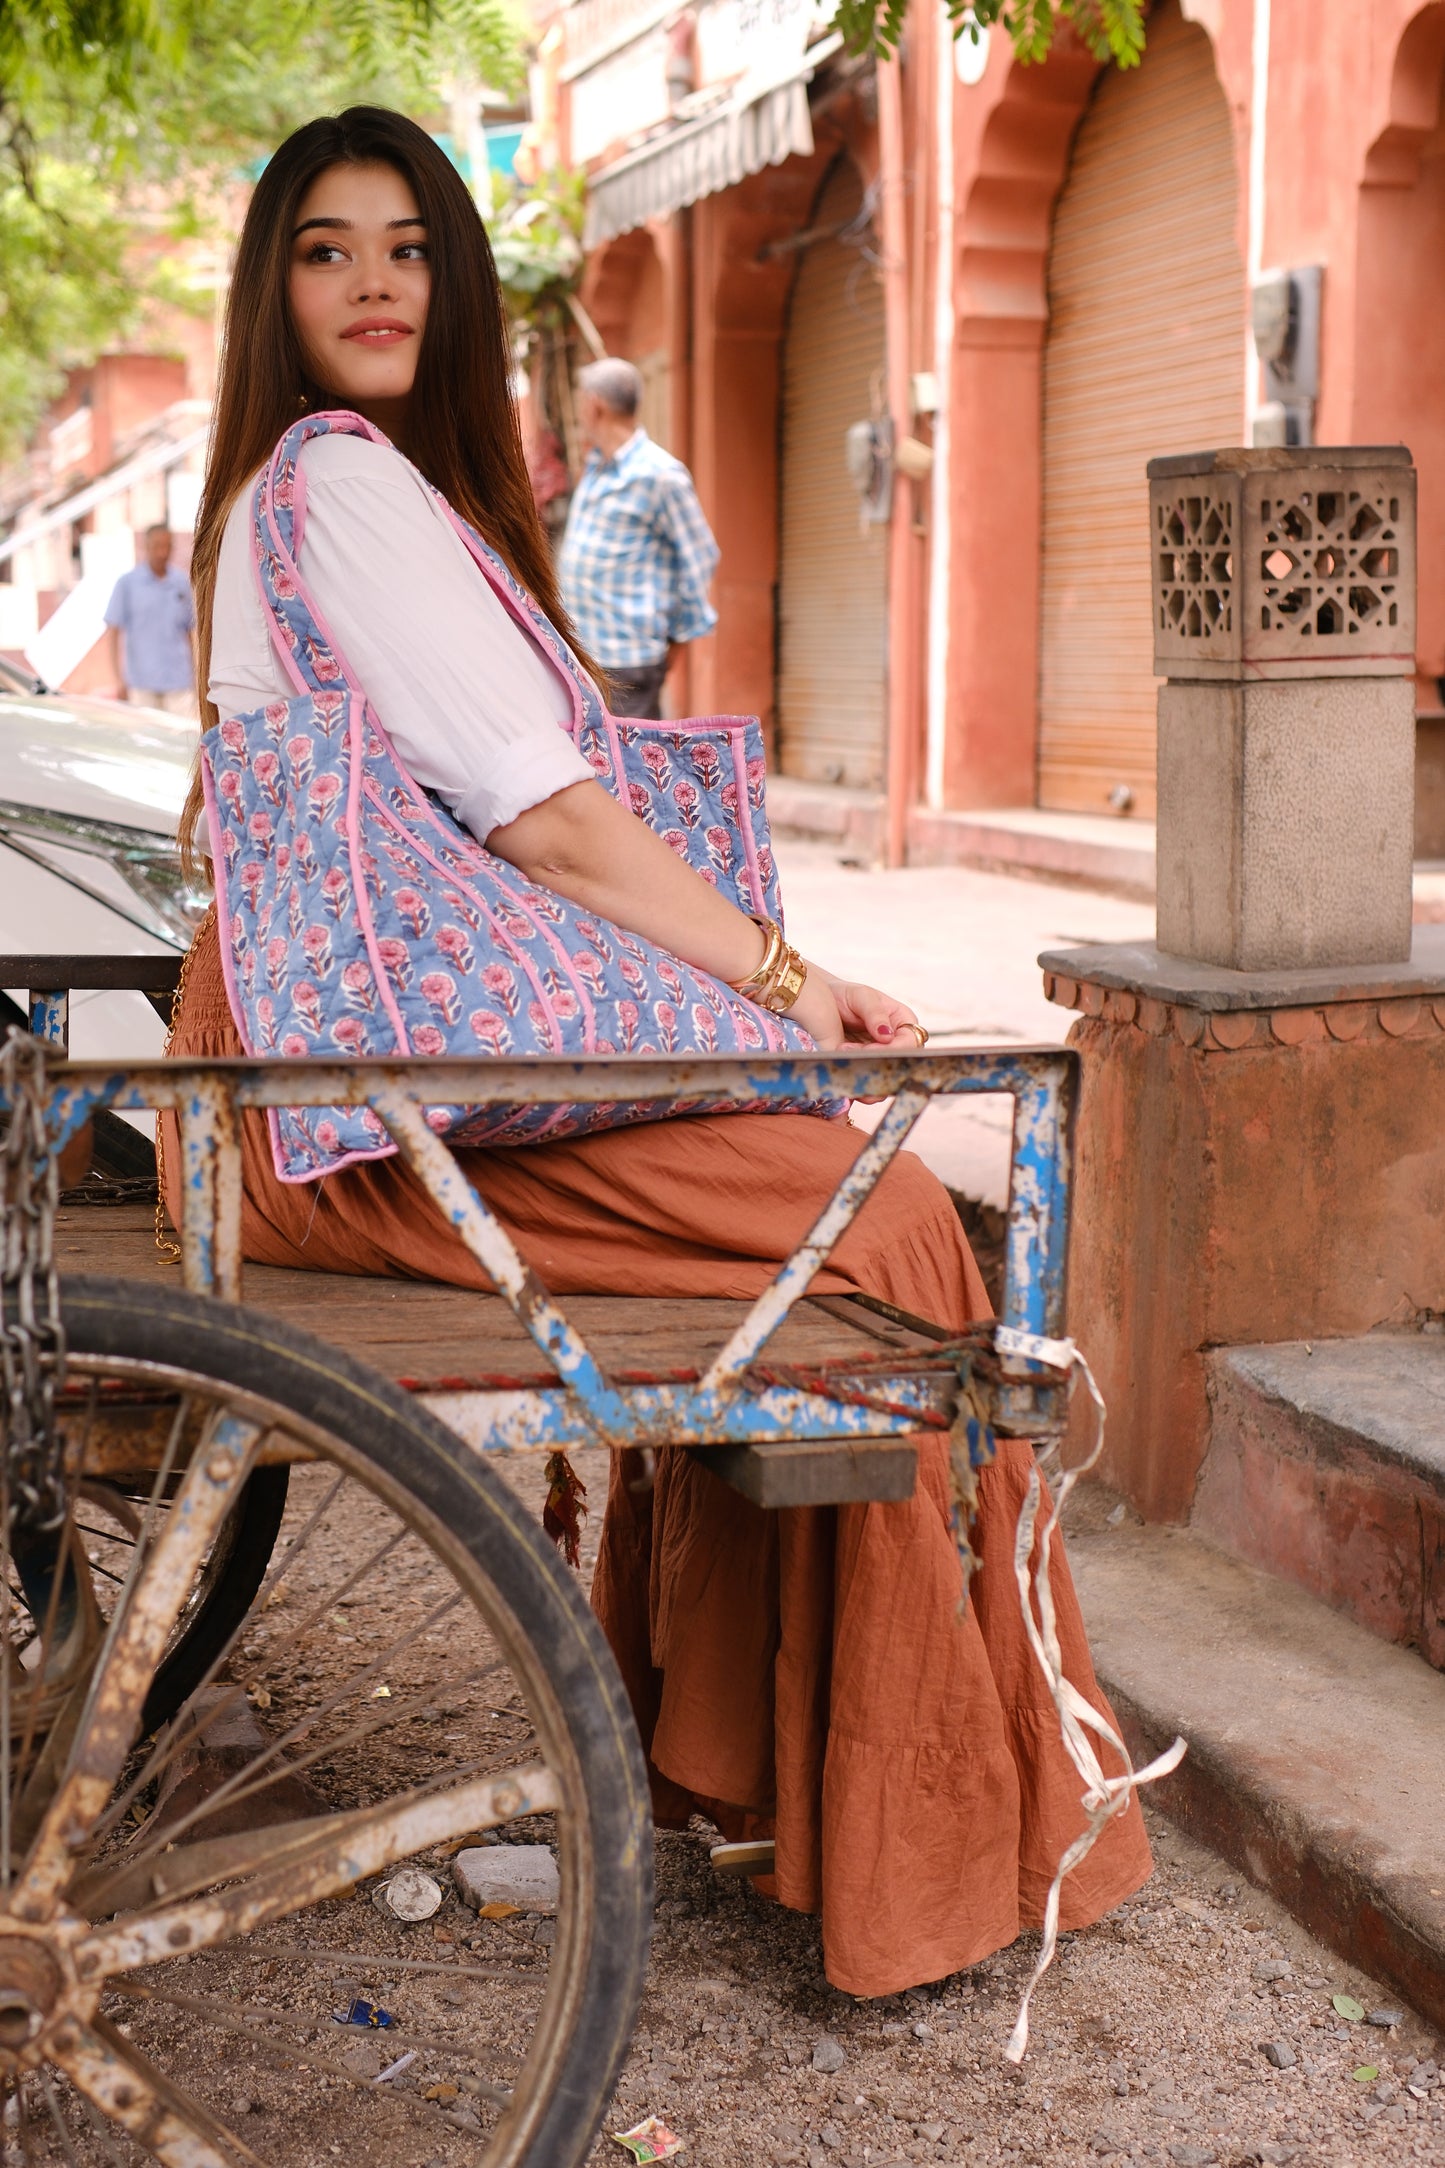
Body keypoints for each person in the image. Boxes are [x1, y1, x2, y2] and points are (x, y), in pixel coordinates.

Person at [167, 105, 1150, 1999]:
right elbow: (545, 828)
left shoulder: (335, 500)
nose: (372, 281)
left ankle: (755, 1747)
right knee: (888, 1239)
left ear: (450, 283)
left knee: (848, 1217)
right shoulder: (342, 492)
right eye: (323, 248)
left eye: (407, 247)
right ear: (271, 290)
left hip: (336, 1075)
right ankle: (911, 1840)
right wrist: (789, 980)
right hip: (357, 1102)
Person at [559, 357, 718, 719]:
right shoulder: (598, 466)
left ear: (593, 404)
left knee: (630, 772)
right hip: (586, 656)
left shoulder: (659, 474)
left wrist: (678, 637)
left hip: (628, 661)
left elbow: (700, 556)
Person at [104, 523, 197, 713]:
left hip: (179, 681)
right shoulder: (127, 584)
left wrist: (197, 674)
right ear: (145, 547)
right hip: (141, 683)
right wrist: (117, 679)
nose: (162, 553)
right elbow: (113, 632)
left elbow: (190, 632)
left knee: (184, 738)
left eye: (167, 546)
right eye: (157, 546)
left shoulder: (181, 583)